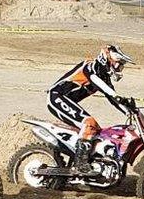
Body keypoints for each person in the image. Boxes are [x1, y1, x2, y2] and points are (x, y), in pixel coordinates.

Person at [47, 45, 135, 173]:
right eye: (118, 64)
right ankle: (80, 163)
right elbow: (99, 83)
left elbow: (113, 100)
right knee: (89, 123)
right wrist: (116, 96)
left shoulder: (104, 77)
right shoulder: (90, 67)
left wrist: (129, 111)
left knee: (97, 130)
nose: (119, 68)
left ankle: (86, 158)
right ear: (107, 59)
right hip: (57, 97)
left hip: (67, 100)